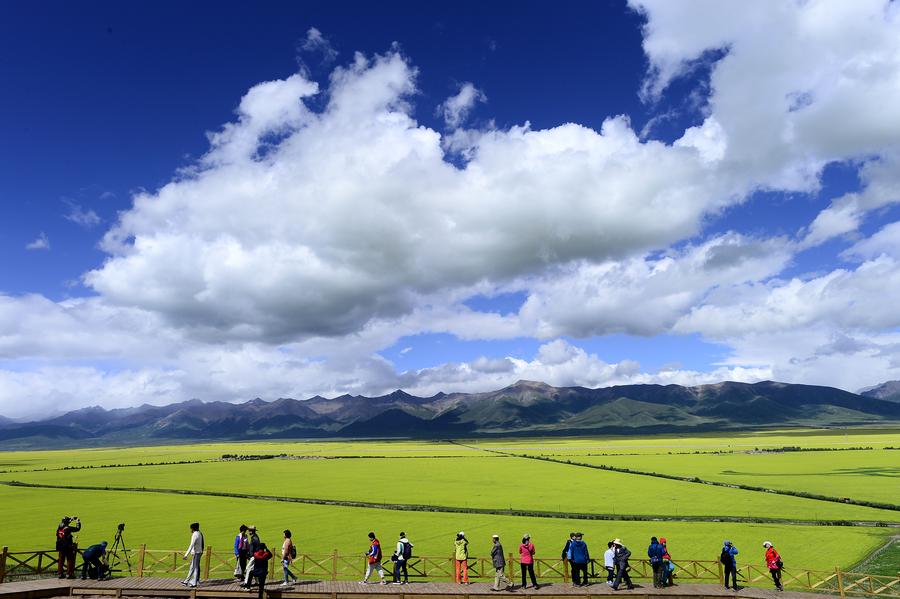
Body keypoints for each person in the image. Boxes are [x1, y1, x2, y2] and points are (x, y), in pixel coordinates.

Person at [181, 522, 204, 587]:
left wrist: (186, 555)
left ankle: (194, 583)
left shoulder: (195, 535)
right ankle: (186, 581)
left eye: (190, 529)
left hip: (196, 553)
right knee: (192, 567)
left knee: (195, 568)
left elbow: (191, 545)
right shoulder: (199, 533)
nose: (190, 530)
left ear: (193, 529)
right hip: (199, 553)